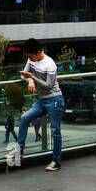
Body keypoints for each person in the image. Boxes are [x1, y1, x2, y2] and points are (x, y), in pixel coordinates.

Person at [13, 38, 64, 172]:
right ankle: (20, 151)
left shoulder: (50, 64)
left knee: (55, 131)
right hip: (42, 101)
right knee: (24, 118)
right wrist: (30, 79)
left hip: (54, 99)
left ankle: (56, 161)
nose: (30, 59)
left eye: (31, 56)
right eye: (28, 56)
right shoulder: (31, 59)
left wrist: (33, 77)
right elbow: (24, 75)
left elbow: (48, 86)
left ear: (39, 52)